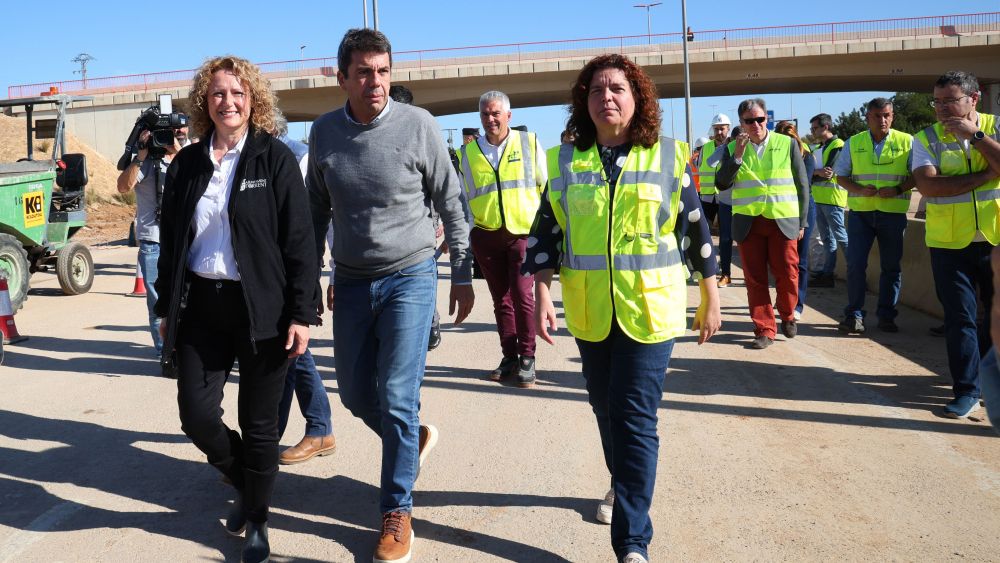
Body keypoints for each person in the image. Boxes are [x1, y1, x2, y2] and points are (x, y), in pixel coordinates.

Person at [528, 53, 720, 563]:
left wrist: (710, 294)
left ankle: (632, 541)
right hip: (591, 312)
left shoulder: (667, 156)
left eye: (617, 88)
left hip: (650, 312)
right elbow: (547, 232)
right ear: (583, 101)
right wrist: (542, 291)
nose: (606, 97)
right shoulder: (565, 161)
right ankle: (623, 479)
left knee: (635, 418)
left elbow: (696, 229)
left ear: (638, 99)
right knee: (605, 409)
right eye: (596, 90)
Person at [307, 28, 475, 563]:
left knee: (398, 395)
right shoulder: (324, 132)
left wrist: (463, 273)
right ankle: (412, 438)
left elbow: (452, 201)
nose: (375, 82)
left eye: (382, 71)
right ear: (342, 77)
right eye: (363, 72)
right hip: (352, 281)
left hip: (411, 275)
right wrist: (311, 273)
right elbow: (316, 209)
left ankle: (396, 512)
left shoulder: (418, 126)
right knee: (357, 394)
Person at [155, 55, 318, 563]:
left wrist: (301, 312)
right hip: (203, 305)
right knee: (196, 415)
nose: (229, 102)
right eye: (219, 93)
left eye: (238, 93)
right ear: (205, 101)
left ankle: (259, 521)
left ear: (254, 100)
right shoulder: (186, 164)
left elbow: (300, 240)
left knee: (260, 421)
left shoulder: (274, 158)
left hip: (263, 309)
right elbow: (171, 240)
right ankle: (250, 482)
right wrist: (165, 306)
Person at [912, 70, 1000, 419]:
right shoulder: (925, 137)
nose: (942, 108)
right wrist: (986, 175)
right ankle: (967, 391)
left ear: (973, 99)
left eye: (950, 100)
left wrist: (976, 137)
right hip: (949, 242)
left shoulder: (993, 126)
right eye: (937, 101)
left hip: (994, 239)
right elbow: (931, 187)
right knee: (960, 319)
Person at [459, 90, 547, 387]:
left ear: (509, 115)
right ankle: (509, 355)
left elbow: (545, 186)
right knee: (501, 300)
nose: (490, 119)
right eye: (485, 114)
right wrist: (468, 231)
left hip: (523, 232)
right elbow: (463, 196)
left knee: (523, 296)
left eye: (496, 113)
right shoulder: (468, 153)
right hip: (486, 235)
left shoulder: (530, 143)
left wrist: (547, 231)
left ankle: (527, 357)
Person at [716, 98, 810, 349]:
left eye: (760, 119)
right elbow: (722, 183)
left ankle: (788, 314)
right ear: (741, 123)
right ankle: (764, 328)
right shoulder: (732, 148)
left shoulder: (787, 144)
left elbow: (802, 185)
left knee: (788, 273)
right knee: (755, 278)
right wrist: (736, 156)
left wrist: (802, 221)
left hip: (783, 219)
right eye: (749, 121)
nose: (756, 124)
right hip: (749, 223)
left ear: (767, 118)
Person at [272, 112, 336, 465]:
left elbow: (323, 218)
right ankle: (271, 440)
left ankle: (318, 427)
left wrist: (331, 276)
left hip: (295, 270)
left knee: (293, 349)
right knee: (284, 353)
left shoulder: (299, 156)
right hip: (267, 272)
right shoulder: (246, 155)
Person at [834, 97, 915, 335]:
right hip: (862, 214)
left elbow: (918, 174)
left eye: (887, 115)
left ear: (892, 116)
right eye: (877, 116)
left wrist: (899, 189)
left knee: (891, 267)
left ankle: (887, 316)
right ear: (867, 117)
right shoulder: (854, 142)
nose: (883, 120)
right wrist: (859, 190)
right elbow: (840, 176)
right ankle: (854, 315)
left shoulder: (907, 141)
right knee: (856, 265)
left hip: (893, 214)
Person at [116, 123, 188, 358]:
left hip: (185, 240)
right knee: (158, 303)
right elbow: (123, 186)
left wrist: (177, 150)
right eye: (169, 132)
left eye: (179, 130)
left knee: (191, 300)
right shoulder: (145, 163)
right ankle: (165, 353)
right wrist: (140, 156)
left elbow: (204, 178)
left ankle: (188, 349)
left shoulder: (189, 157)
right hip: (153, 242)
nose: (175, 135)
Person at [388, 84, 445, 352]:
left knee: (422, 272)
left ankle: (430, 323)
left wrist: (438, 221)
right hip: (389, 227)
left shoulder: (422, 133)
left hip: (423, 222)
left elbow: (443, 185)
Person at [773, 121, 817, 321]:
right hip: (780, 211)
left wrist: (802, 223)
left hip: (802, 211)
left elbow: (803, 190)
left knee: (800, 261)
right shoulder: (773, 154)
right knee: (780, 261)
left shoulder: (806, 155)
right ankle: (783, 298)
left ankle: (797, 305)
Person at [808, 113, 846, 288]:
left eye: (815, 128)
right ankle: (827, 275)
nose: (812, 131)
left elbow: (828, 173)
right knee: (827, 239)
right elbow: (813, 174)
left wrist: (814, 174)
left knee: (842, 239)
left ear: (826, 127)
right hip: (819, 199)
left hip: (833, 199)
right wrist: (816, 172)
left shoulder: (838, 145)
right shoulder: (818, 148)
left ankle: (856, 273)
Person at [698, 113, 734, 287]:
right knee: (703, 233)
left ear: (728, 129)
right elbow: (700, 168)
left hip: (726, 197)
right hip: (707, 197)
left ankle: (725, 270)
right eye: (717, 129)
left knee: (726, 236)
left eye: (722, 128)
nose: (719, 132)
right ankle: (709, 266)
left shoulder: (733, 147)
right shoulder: (706, 148)